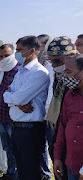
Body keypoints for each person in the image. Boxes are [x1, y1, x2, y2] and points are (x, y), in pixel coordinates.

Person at [3, 36, 50, 180]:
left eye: (19, 50)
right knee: (22, 168)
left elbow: (16, 97)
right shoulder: (21, 71)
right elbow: (8, 93)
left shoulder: (39, 73)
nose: (16, 53)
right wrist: (15, 100)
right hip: (17, 127)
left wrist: (14, 98)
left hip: (31, 129)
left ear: (32, 51)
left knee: (31, 171)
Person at [46, 36, 77, 180]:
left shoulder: (76, 78)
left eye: (57, 61)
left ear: (71, 56)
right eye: (51, 61)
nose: (53, 65)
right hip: (59, 132)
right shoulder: (59, 75)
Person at [0, 44, 20, 180]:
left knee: (17, 149)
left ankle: (17, 175)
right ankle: (10, 173)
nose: (3, 59)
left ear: (14, 54)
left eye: (7, 56)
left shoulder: (19, 71)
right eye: (1, 56)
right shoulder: (1, 71)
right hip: (2, 116)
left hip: (14, 119)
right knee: (7, 148)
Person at [53, 54, 83, 180]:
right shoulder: (69, 95)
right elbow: (63, 126)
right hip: (72, 164)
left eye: (69, 72)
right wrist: (58, 157)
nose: (66, 77)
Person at [37, 34, 53, 180]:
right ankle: (44, 174)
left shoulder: (52, 64)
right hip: (40, 111)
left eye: (40, 46)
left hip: (51, 112)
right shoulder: (41, 63)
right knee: (42, 146)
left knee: (53, 148)